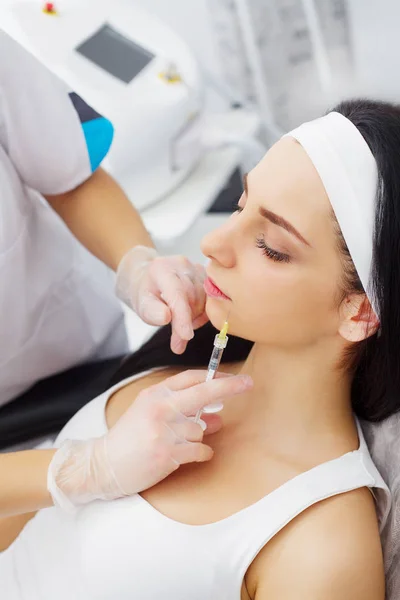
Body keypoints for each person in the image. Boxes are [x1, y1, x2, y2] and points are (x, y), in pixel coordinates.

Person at [1, 97, 399, 599]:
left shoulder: (320, 547)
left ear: (359, 311)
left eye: (272, 246)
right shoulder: (178, 363)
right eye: (240, 203)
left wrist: (89, 469)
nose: (213, 243)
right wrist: (84, 467)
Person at [0, 28, 214, 513]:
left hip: (77, 350)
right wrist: (84, 469)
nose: (216, 248)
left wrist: (136, 264)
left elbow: (71, 173)